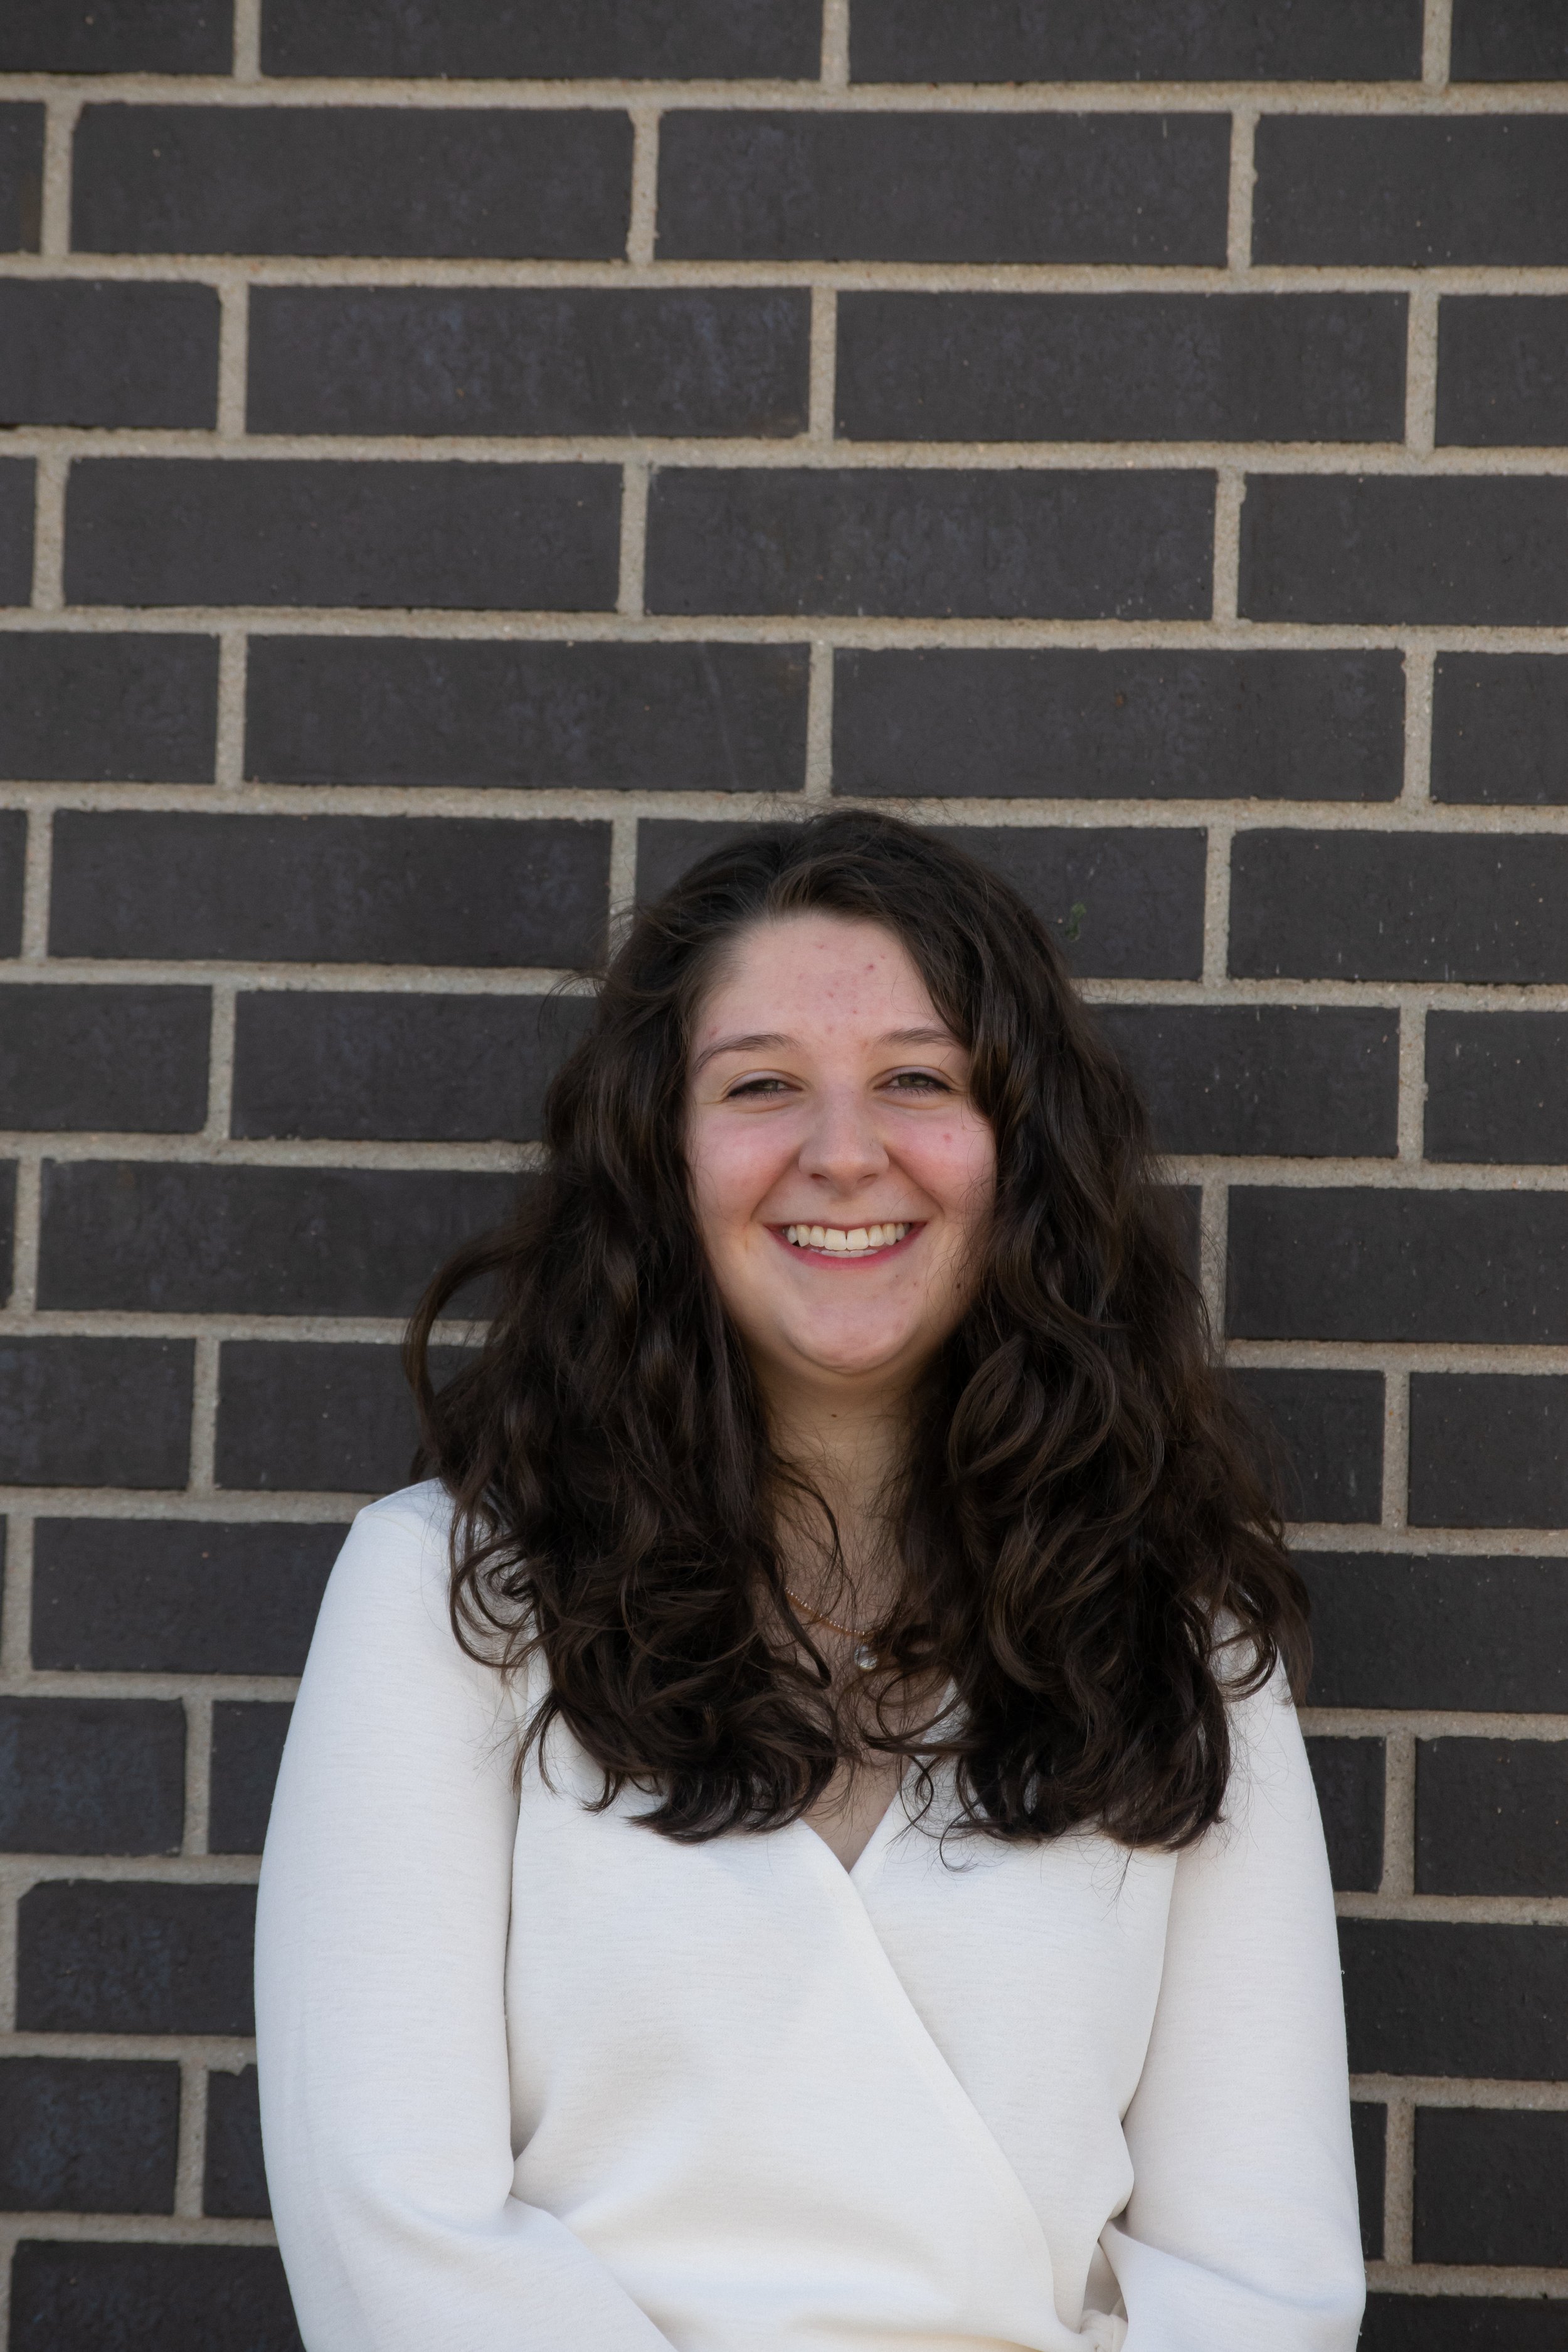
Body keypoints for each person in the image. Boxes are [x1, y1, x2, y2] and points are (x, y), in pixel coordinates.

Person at [255, 812, 1365, 2352]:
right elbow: (394, 2231)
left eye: (917, 1079)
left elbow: (1267, 2277)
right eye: (760, 1084)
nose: (843, 1152)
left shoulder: (1178, 1639)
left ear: (1017, 1150)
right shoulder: (446, 1601)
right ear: (659, 1156)